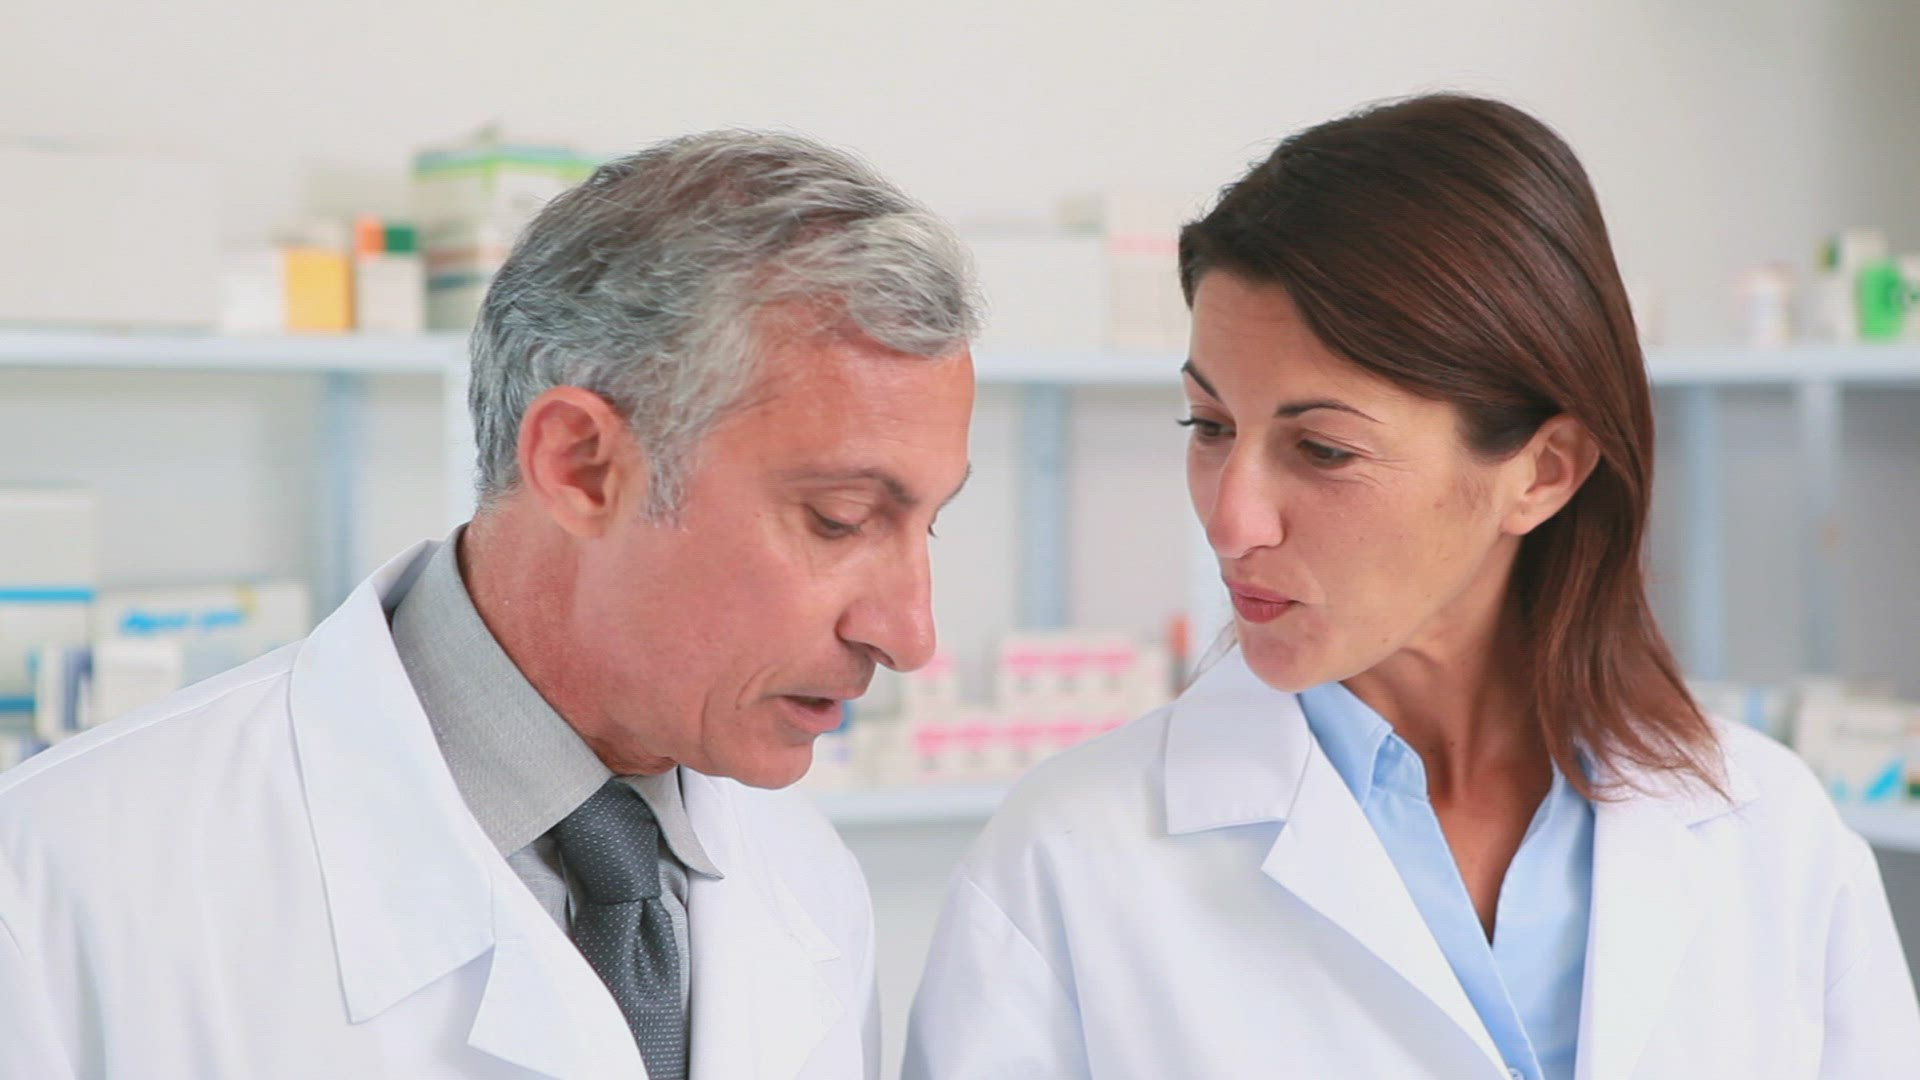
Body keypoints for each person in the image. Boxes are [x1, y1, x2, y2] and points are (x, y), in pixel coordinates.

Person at [904, 95, 1920, 1079]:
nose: (1231, 520)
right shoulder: (1067, 860)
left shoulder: (1773, 836)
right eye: (1208, 427)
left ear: (1543, 472)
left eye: (1324, 449)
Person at [0, 130, 980, 1080]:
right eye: (842, 519)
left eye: (927, 524)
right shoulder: (65, 886)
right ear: (582, 467)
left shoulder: (805, 878)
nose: (910, 635)